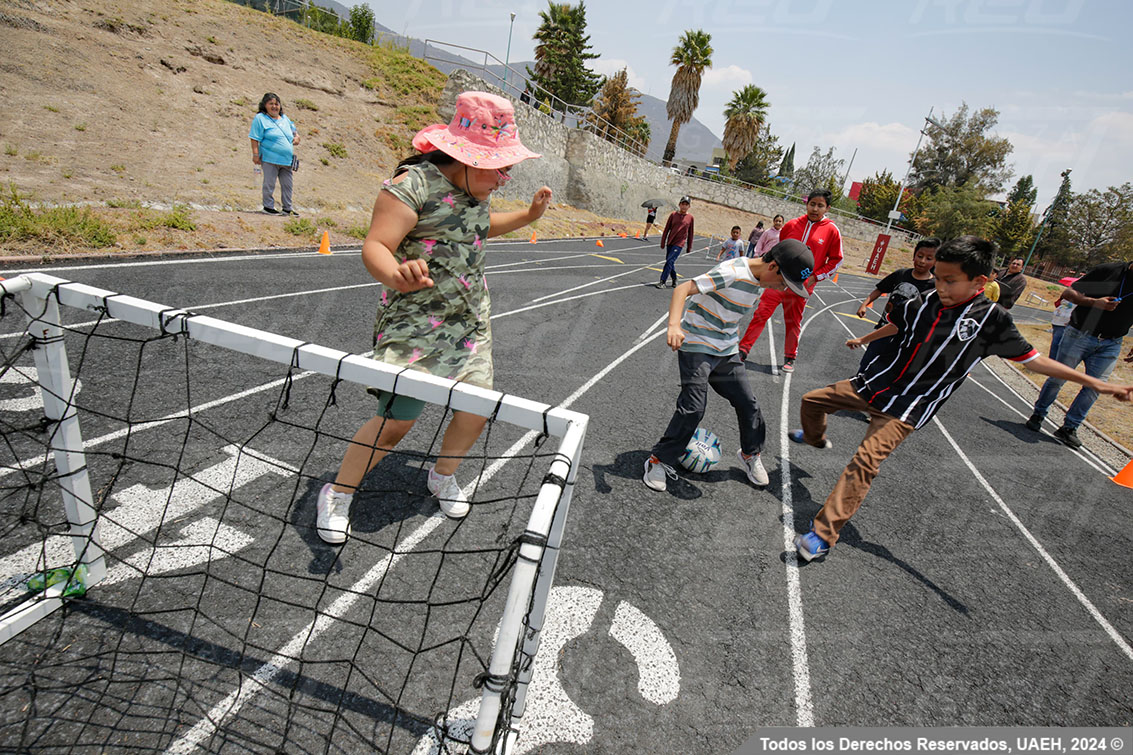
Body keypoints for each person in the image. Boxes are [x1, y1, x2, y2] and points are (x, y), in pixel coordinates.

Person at [789, 236, 1133, 562]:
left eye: (950, 280)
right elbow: (897, 324)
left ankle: (821, 535)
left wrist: (1094, 383)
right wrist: (864, 339)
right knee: (811, 400)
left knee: (864, 462)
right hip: (874, 384)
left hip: (910, 406)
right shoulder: (924, 301)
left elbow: (1036, 361)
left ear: (979, 281)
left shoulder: (991, 320)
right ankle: (816, 437)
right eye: (938, 277)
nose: (941, 286)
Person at [315, 92, 552, 544]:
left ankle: (442, 475)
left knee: (476, 408)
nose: (504, 177)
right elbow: (375, 246)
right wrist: (395, 275)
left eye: (508, 168)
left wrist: (528, 216)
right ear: (464, 158)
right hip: (417, 324)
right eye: (499, 167)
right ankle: (338, 492)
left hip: (470, 322)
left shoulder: (475, 190)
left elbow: (477, 227)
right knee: (397, 423)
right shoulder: (412, 184)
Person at [643, 239, 817, 493]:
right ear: (774, 268)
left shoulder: (760, 280)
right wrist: (674, 326)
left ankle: (750, 454)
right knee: (693, 408)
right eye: (783, 283)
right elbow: (682, 289)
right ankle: (658, 460)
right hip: (697, 344)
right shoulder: (732, 272)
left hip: (725, 349)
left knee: (748, 403)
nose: (782, 290)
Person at [1025, 259, 1133, 449]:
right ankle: (1039, 414)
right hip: (1080, 334)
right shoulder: (1108, 270)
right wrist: (1094, 302)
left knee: (1094, 387)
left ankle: (1069, 427)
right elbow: (1068, 293)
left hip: (1111, 342)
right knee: (1058, 378)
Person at [738, 190, 843, 372]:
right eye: (812, 204)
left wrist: (814, 277)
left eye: (820, 206)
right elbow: (779, 250)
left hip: (801, 287)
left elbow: (836, 260)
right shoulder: (792, 225)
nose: (815, 209)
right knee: (761, 314)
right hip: (778, 282)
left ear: (827, 208)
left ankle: (790, 357)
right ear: (806, 203)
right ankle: (743, 350)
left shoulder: (832, 231)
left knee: (793, 322)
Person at [854, 237, 940, 373]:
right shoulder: (901, 274)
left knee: (888, 374)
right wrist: (864, 304)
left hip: (905, 340)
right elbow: (880, 289)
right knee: (865, 368)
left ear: (936, 262)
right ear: (914, 256)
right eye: (920, 256)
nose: (922, 261)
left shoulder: (935, 287)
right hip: (882, 332)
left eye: (929, 258)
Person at [249, 92, 300, 216]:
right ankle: (268, 206)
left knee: (287, 185)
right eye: (270, 104)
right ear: (264, 105)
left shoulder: (285, 118)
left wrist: (297, 137)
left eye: (276, 104)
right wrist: (255, 155)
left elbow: (294, 130)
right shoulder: (260, 118)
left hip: (286, 160)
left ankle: (287, 208)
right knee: (269, 183)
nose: (274, 106)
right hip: (269, 158)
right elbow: (254, 138)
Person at [656, 196, 695, 288]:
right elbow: (666, 229)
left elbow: (691, 233)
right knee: (670, 262)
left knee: (669, 261)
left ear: (689, 206)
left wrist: (689, 246)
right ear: (679, 204)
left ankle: (662, 281)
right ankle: (674, 278)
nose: (684, 206)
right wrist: (663, 241)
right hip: (670, 242)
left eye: (686, 204)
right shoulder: (673, 215)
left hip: (679, 244)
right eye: (683, 204)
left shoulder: (690, 218)